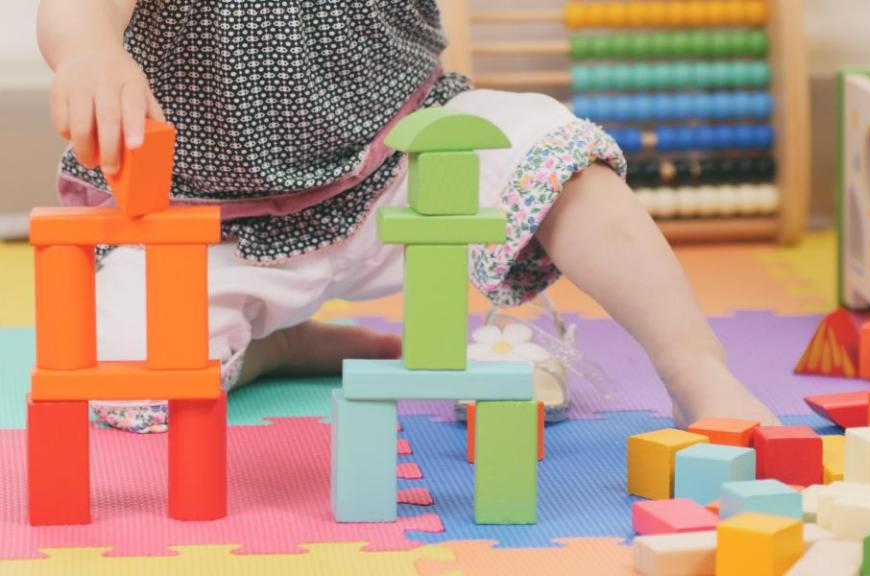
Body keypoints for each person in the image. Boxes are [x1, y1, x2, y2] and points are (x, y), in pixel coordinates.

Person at [37, 0, 778, 433]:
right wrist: (88, 49)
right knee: (126, 386)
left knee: (557, 153)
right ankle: (277, 346)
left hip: (410, 155)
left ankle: (695, 369)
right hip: (204, 216)